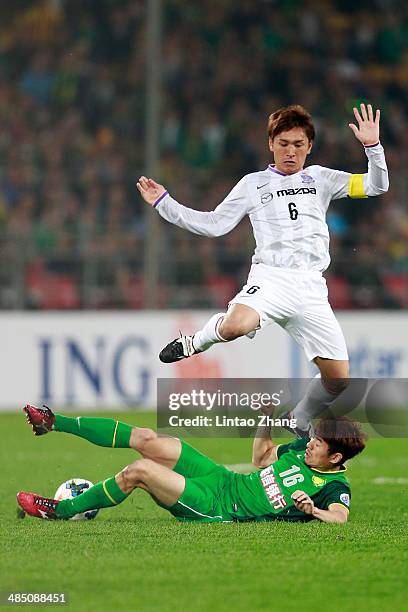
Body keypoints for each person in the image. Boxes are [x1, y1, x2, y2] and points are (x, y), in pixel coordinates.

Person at [137, 103, 389, 436]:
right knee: (235, 326)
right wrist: (165, 203)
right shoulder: (253, 184)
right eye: (283, 143)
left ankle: (297, 418)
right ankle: (196, 342)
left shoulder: (322, 179)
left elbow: (376, 186)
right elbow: (214, 225)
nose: (290, 151)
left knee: (339, 379)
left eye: (298, 145)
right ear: (271, 144)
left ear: (309, 147)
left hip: (312, 288)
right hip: (271, 279)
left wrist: (373, 147)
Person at [17, 404, 366, 524]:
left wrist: (314, 511)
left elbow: (340, 516)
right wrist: (265, 419)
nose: (310, 444)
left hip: (221, 507)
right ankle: (54, 421)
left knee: (139, 471)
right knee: (148, 439)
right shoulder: (301, 449)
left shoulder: (334, 487)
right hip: (222, 478)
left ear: (335, 458)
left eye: (318, 443)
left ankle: (62, 511)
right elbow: (261, 458)